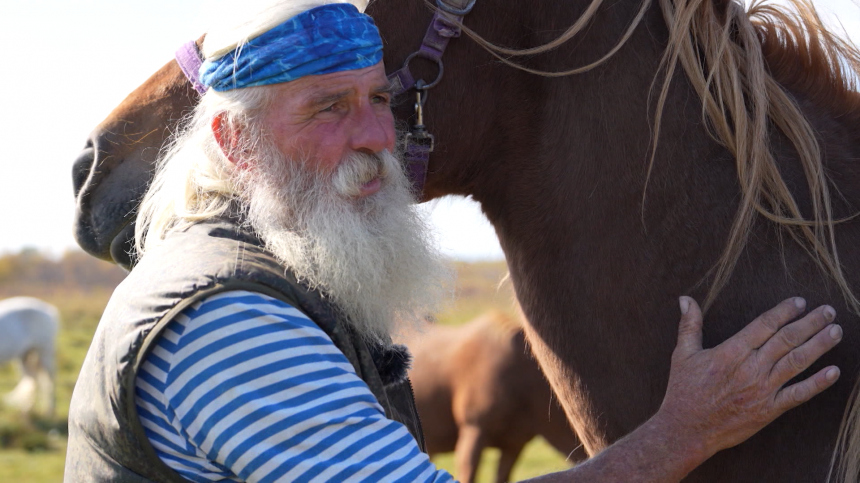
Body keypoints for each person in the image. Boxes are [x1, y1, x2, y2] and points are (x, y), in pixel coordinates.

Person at [63, 1, 844, 481]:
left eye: (377, 97)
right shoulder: (226, 319)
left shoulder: (283, 280)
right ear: (233, 142)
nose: (377, 135)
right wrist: (679, 436)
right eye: (328, 109)